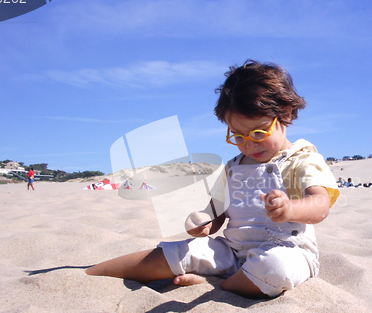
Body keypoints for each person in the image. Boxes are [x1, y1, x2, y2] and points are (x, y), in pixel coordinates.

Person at [86, 60, 340, 299]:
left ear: (287, 113)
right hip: (231, 251)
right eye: (238, 136)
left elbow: (320, 206)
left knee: (274, 269)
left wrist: (291, 209)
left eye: (259, 132)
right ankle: (91, 273)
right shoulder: (233, 168)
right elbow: (217, 211)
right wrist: (202, 221)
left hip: (288, 251)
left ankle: (215, 284)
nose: (249, 144)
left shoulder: (302, 160)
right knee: (181, 250)